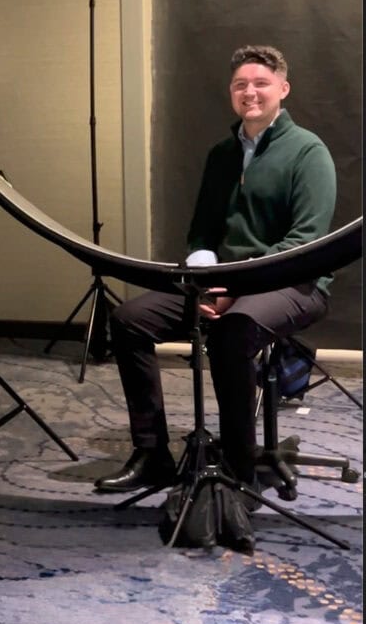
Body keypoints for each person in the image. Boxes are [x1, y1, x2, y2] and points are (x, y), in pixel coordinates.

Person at [94, 45, 335, 496]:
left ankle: (237, 471)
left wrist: (232, 288)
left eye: (260, 83)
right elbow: (201, 235)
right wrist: (206, 282)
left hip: (296, 284)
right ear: (231, 93)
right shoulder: (222, 155)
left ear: (283, 89)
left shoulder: (309, 152)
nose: (250, 92)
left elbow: (303, 244)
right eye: (240, 85)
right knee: (128, 321)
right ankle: (152, 455)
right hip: (224, 282)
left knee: (233, 332)